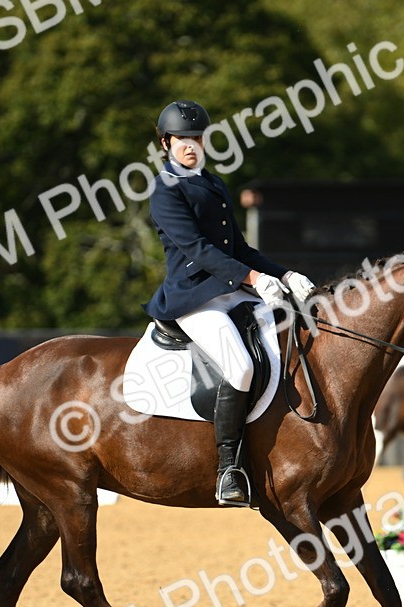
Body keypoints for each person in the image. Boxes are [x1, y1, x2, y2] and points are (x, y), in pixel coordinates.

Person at [144, 100, 316, 506]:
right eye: (183, 139)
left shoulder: (213, 183)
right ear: (166, 142)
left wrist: (284, 274)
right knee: (239, 366)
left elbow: (239, 248)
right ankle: (229, 470)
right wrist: (254, 279)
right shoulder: (164, 189)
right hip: (193, 297)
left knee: (291, 336)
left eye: (198, 138)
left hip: (233, 290)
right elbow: (198, 249)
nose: (191, 145)